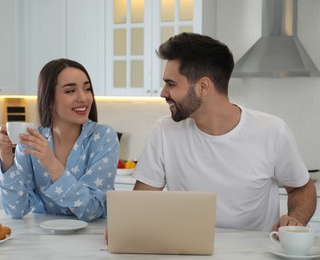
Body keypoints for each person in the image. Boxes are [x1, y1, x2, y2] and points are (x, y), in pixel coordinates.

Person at [132, 32, 317, 232]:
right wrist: (128, 224)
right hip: (188, 252)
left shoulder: (272, 131)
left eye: (171, 84)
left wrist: (294, 219)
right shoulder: (164, 132)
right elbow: (139, 206)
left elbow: (302, 188)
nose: (163, 93)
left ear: (203, 86)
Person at [0, 58, 120, 222]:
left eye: (87, 89)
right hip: (43, 240)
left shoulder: (103, 137)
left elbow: (93, 209)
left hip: (91, 239)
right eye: (70, 91)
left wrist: (51, 164)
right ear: (49, 99)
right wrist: (6, 157)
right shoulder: (32, 141)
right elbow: (16, 210)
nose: (83, 98)